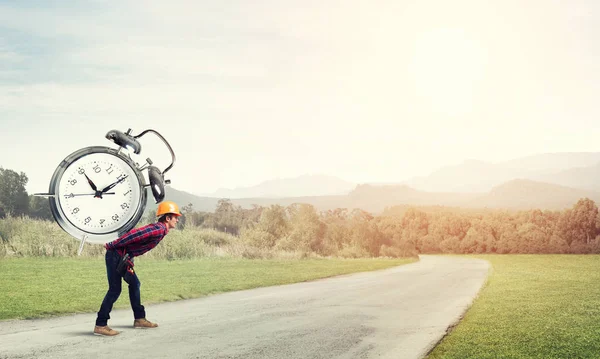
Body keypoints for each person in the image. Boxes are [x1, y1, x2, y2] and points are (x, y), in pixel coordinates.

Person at [93, 201, 181, 336]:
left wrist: (129, 257)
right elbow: (135, 235)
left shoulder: (161, 230)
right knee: (115, 290)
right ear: (168, 218)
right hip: (116, 255)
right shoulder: (158, 229)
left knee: (135, 284)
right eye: (176, 217)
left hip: (123, 257)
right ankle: (101, 324)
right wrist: (112, 244)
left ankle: (139, 319)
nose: (177, 219)